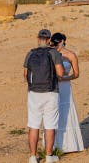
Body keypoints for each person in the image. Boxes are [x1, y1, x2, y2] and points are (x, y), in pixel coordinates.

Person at [24, 29, 65, 163]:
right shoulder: (54, 53)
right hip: (51, 92)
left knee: (33, 125)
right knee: (50, 126)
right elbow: (60, 73)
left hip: (33, 93)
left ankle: (32, 156)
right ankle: (48, 156)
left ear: (38, 38)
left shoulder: (30, 53)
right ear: (49, 40)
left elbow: (25, 74)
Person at [50, 32, 84, 154]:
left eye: (57, 43)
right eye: (53, 44)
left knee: (66, 110)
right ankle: (54, 145)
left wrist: (65, 78)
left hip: (64, 86)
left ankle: (70, 145)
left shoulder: (71, 55)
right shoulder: (51, 53)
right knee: (53, 111)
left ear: (63, 41)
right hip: (53, 86)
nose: (55, 46)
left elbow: (76, 74)